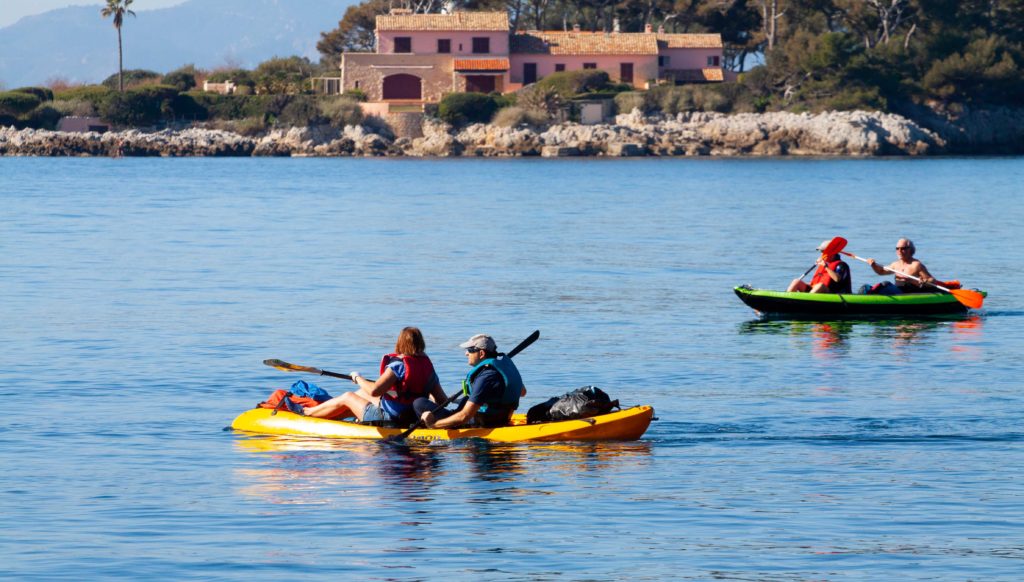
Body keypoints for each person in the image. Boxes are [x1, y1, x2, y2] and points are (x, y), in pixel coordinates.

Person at [303, 326, 446, 424]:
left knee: (348, 396)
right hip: (412, 415)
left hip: (390, 418)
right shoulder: (427, 367)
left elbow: (374, 390)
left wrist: (357, 377)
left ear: (401, 343)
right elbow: (442, 400)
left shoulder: (399, 365)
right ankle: (329, 417)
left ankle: (308, 413)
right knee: (360, 393)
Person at [415, 334, 526, 429]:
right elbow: (522, 392)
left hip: (480, 422)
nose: (466, 354)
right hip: (502, 417)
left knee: (419, 403)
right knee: (465, 399)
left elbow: (464, 417)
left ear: (481, 354)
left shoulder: (486, 377)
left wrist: (434, 424)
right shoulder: (504, 368)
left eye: (470, 350)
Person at [866, 238, 936, 294]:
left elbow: (932, 280)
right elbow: (881, 271)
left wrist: (925, 281)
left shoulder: (916, 265)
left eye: (903, 248)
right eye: (897, 248)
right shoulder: (895, 264)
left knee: (885, 284)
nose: (899, 251)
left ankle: (872, 294)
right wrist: (873, 265)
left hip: (906, 293)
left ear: (910, 250)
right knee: (865, 287)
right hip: (896, 290)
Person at [787, 240, 852, 294]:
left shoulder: (841, 265)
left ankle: (806, 302)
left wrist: (826, 267)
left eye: (823, 252)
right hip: (816, 291)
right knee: (796, 281)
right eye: (821, 252)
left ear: (832, 253)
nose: (821, 254)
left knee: (820, 286)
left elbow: (837, 279)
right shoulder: (823, 263)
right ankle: (787, 299)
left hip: (834, 293)